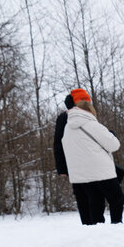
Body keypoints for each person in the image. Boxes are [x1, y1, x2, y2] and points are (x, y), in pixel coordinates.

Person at [61, 88, 124, 224]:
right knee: (117, 199)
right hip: (101, 172)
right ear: (89, 109)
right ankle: (117, 228)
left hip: (80, 175)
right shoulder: (92, 124)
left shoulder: (67, 127)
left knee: (95, 203)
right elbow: (114, 145)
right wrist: (111, 134)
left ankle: (96, 233)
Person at [54, 93, 97, 225]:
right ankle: (89, 226)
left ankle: (95, 226)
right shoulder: (64, 117)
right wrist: (62, 167)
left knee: (93, 194)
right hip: (76, 163)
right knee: (84, 195)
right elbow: (58, 142)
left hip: (90, 161)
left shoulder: (89, 116)